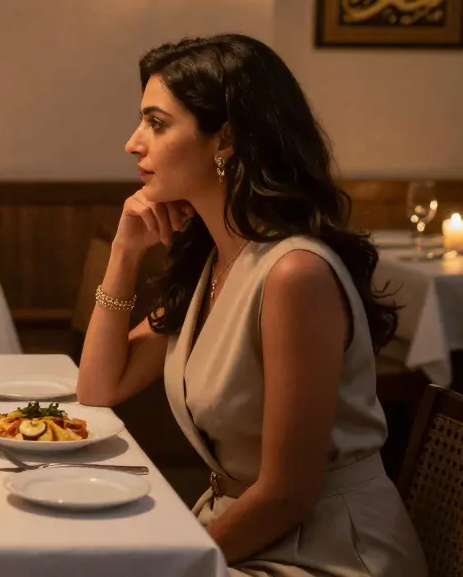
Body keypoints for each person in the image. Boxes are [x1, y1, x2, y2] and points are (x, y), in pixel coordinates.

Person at [78, 34, 427, 576]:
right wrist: (124, 253)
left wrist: (181, 561)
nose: (133, 142)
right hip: (248, 532)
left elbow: (290, 493)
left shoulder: (294, 275)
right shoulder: (216, 259)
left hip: (326, 550)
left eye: (157, 122)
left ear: (227, 140)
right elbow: (99, 388)